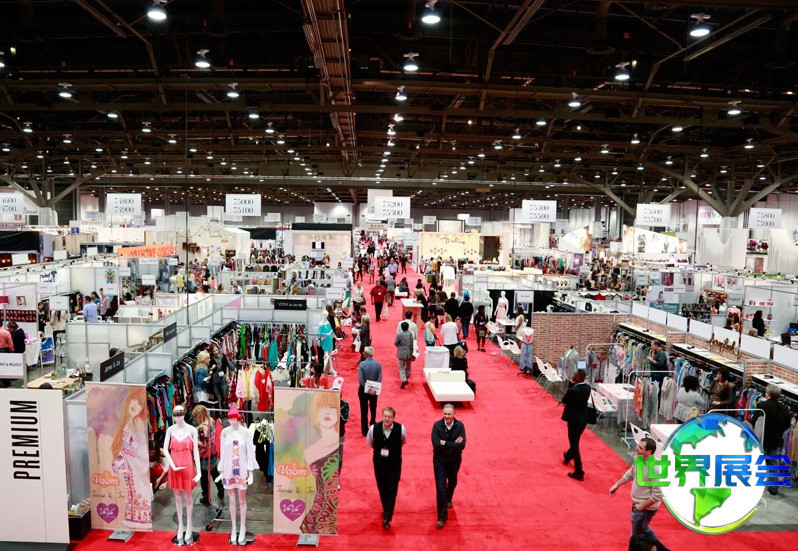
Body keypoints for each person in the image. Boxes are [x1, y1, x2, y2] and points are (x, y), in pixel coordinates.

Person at [610, 437, 671, 551]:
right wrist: (617, 484)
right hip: (638, 505)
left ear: (649, 452)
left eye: (640, 447)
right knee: (643, 530)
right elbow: (631, 473)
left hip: (645, 508)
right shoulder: (640, 458)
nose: (636, 448)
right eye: (638, 445)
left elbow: (658, 494)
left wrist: (641, 506)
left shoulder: (655, 468)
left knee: (635, 536)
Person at [299, 392, 341, 534]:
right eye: (322, 407)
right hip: (313, 517)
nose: (327, 412)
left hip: (330, 517)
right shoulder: (308, 451)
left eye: (332, 407)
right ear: (316, 412)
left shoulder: (338, 447)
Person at [111, 392, 153, 529]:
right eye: (133, 400)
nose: (135, 405)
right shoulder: (128, 421)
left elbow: (142, 444)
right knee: (131, 490)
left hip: (136, 462)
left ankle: (141, 519)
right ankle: (133, 518)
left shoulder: (137, 421)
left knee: (137, 489)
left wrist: (138, 458)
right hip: (128, 461)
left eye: (139, 403)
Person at [162, 404, 201, 545]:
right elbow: (165, 449)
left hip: (187, 467)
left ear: (184, 415)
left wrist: (199, 471)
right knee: (177, 498)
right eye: (175, 415)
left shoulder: (192, 430)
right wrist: (172, 466)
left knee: (188, 497)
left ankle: (189, 525)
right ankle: (180, 526)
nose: (177, 418)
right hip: (175, 467)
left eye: (180, 415)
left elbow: (195, 452)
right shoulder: (170, 430)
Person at [367, 407, 407, 530]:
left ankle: (387, 517)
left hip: (395, 463)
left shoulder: (401, 429)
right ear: (382, 416)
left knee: (392, 489)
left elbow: (403, 441)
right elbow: (370, 442)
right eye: (385, 416)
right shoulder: (374, 428)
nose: (387, 419)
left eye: (389, 417)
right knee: (382, 487)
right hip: (379, 463)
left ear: (394, 418)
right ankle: (386, 509)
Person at [751, 384, 791, 496]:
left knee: (756, 460)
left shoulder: (762, 405)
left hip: (761, 438)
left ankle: (753, 483)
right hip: (775, 439)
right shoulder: (784, 408)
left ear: (767, 393)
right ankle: (773, 488)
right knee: (774, 463)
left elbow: (754, 421)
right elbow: (787, 425)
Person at [431, 404, 466, 529]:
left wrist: (444, 443)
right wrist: (453, 444)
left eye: (449, 414)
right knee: (440, 487)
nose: (446, 416)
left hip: (454, 460)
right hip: (439, 461)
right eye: (445, 414)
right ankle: (442, 517)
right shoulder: (437, 425)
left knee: (452, 482)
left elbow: (462, 445)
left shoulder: (460, 426)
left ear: (454, 414)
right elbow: (436, 444)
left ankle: (449, 497)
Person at [561, 370, 591, 481]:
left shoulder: (572, 390)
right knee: (575, 441)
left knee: (574, 445)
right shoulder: (588, 388)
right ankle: (568, 456)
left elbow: (564, 400)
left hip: (573, 420)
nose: (572, 376)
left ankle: (579, 471)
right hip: (583, 420)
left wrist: (571, 385)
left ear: (578, 377)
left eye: (574, 375)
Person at [192, 404, 224, 506]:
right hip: (213, 452)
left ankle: (206, 496)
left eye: (196, 417)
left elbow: (204, 444)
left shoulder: (202, 428)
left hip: (204, 455)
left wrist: (193, 440)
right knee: (214, 471)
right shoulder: (211, 420)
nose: (195, 419)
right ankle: (220, 488)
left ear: (199, 415)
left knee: (204, 476)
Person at [358, 346, 382, 436]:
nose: (363, 353)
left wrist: (366, 388)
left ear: (367, 354)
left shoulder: (362, 364)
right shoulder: (378, 365)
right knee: (373, 408)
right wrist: (374, 387)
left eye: (364, 352)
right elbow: (379, 379)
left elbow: (361, 379)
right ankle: (373, 424)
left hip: (363, 390)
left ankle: (364, 429)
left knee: (364, 410)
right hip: (374, 390)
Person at [394, 322, 414, 390]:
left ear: (401, 328)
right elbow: (412, 343)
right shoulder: (411, 334)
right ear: (408, 327)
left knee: (401, 367)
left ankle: (403, 379)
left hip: (401, 353)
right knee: (408, 366)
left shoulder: (399, 335)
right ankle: (406, 377)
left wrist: (400, 346)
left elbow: (395, 343)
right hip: (409, 353)